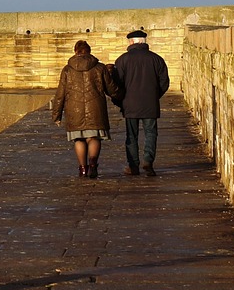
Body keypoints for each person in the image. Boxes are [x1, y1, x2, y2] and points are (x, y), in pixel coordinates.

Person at [51, 40, 120, 178]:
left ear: (75, 51)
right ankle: (93, 163)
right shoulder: (100, 68)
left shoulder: (67, 70)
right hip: (95, 109)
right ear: (89, 51)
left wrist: (56, 115)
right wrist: (121, 97)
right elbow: (111, 89)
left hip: (74, 111)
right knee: (93, 137)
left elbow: (60, 94)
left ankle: (83, 168)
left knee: (79, 139)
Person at [112, 29, 170, 176]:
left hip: (129, 104)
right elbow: (164, 82)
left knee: (131, 135)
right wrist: (155, 95)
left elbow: (116, 84)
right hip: (150, 103)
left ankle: (133, 165)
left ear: (131, 42)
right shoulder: (156, 59)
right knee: (151, 133)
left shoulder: (122, 60)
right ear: (144, 41)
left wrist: (120, 101)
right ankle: (148, 161)